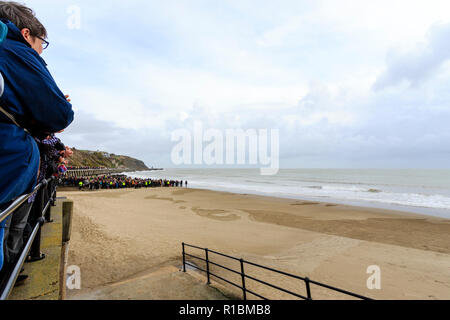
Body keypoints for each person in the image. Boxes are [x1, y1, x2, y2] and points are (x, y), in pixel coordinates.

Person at [0, 2, 74, 274]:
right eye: (42, 42)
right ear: (27, 33)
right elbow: (59, 114)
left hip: (14, 172)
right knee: (11, 229)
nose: (42, 50)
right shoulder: (14, 49)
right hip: (9, 167)